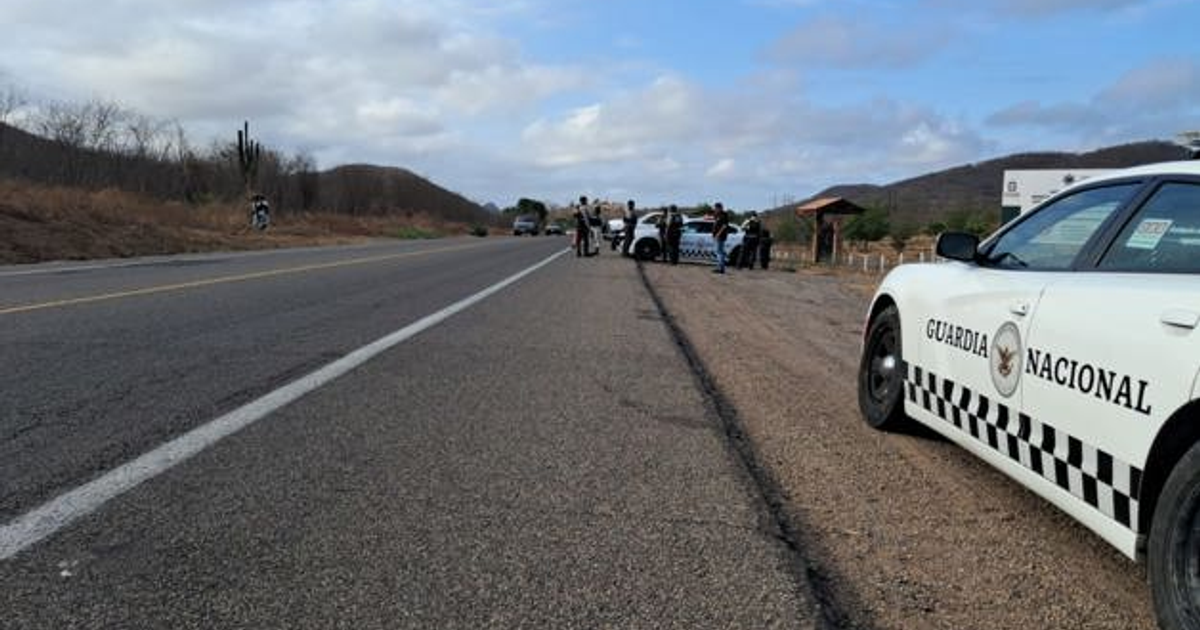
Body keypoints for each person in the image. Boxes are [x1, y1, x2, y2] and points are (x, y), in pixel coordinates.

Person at [712, 202, 730, 274]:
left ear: (719, 208)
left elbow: (724, 226)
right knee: (719, 252)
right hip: (717, 236)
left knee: (719, 252)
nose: (715, 209)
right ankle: (719, 267)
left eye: (716, 208)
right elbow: (714, 221)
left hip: (721, 236)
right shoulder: (717, 215)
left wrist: (718, 234)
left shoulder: (724, 215)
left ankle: (721, 268)